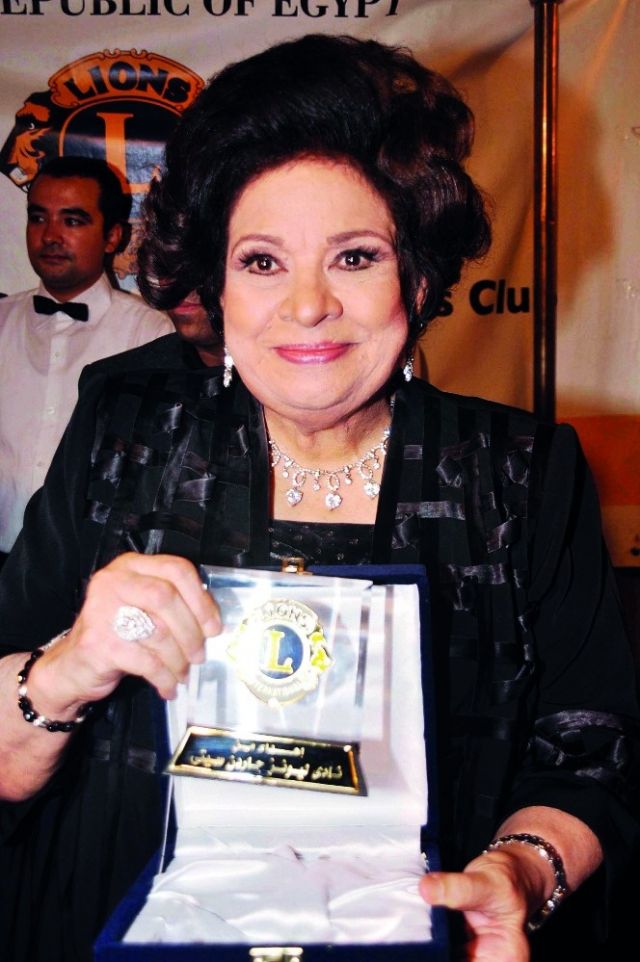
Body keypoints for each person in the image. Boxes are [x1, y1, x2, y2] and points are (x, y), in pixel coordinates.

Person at [0, 34, 637, 962]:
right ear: (217, 283)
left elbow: (593, 754)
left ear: (417, 278)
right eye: (262, 261)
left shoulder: (521, 473)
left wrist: (522, 870)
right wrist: (68, 667)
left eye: (354, 257)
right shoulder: (124, 433)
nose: (306, 306)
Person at [0, 156, 173, 562]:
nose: (50, 236)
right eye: (38, 218)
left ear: (113, 237)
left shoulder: (151, 335)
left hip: (91, 566)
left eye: (73, 220)